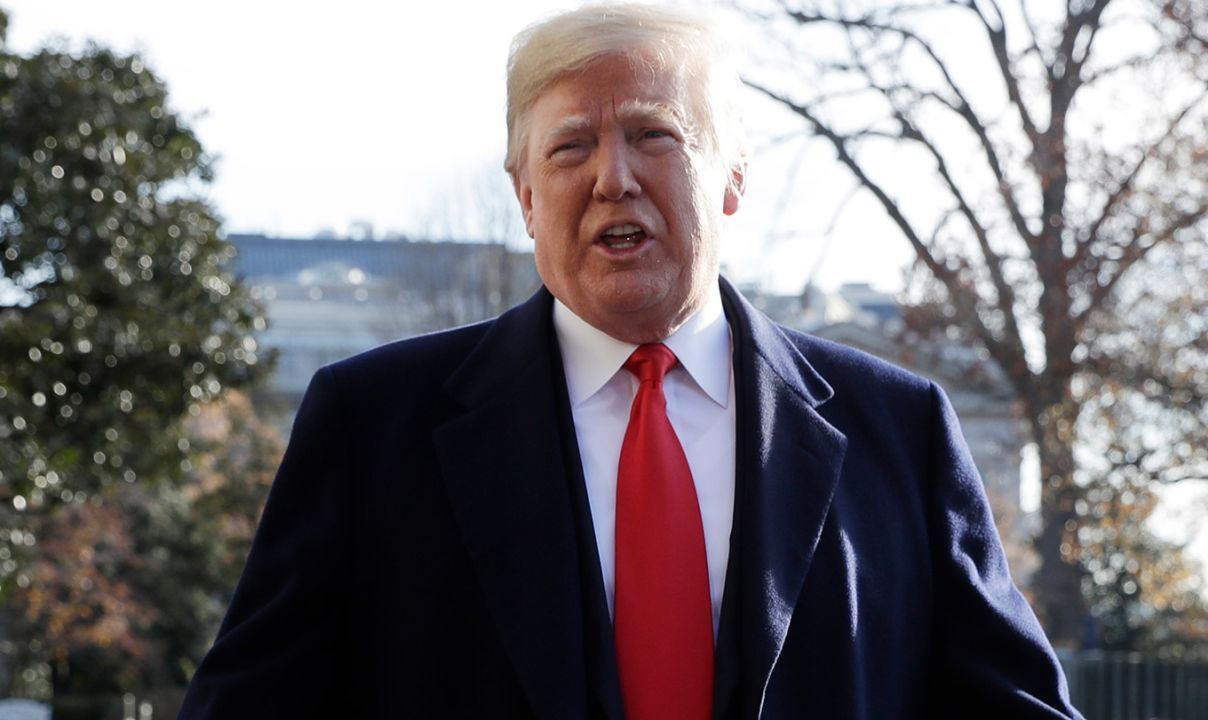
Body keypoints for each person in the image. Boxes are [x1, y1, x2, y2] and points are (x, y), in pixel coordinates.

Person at [178, 4, 1081, 719]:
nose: (613, 176)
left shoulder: (900, 430)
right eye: (571, 146)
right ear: (527, 196)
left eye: (654, 134)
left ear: (731, 175)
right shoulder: (372, 425)